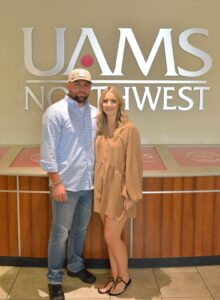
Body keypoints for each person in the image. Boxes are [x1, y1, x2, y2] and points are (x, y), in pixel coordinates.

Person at [40, 68, 98, 300]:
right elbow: (48, 149)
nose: (82, 88)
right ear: (68, 85)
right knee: (60, 232)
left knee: (80, 230)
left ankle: (75, 266)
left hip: (88, 184)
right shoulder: (55, 112)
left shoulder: (95, 114)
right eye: (77, 84)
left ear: (90, 88)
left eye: (86, 84)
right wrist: (56, 183)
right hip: (65, 184)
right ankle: (54, 279)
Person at [94, 86, 143, 296]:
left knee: (112, 236)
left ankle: (125, 277)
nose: (109, 105)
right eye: (105, 101)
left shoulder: (129, 129)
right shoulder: (101, 130)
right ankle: (114, 278)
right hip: (103, 190)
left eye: (113, 101)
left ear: (119, 104)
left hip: (120, 191)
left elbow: (134, 164)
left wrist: (131, 195)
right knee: (108, 237)